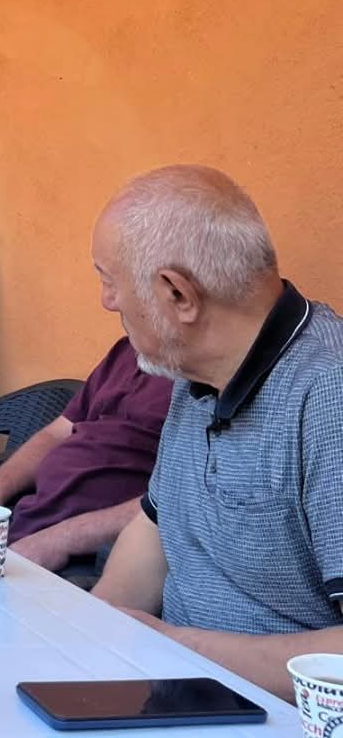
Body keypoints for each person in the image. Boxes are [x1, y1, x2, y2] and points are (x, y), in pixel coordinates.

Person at [90, 165, 343, 701]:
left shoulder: (328, 395)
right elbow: (157, 530)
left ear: (178, 294)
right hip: (170, 688)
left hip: (267, 713)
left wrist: (176, 647)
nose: (107, 301)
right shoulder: (196, 373)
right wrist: (88, 634)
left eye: (110, 279)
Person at [0, 337, 172, 571]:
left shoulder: (193, 386)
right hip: (28, 524)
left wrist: (62, 540)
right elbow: (57, 433)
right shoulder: (127, 349)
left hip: (91, 559)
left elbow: (172, 503)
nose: (112, 305)